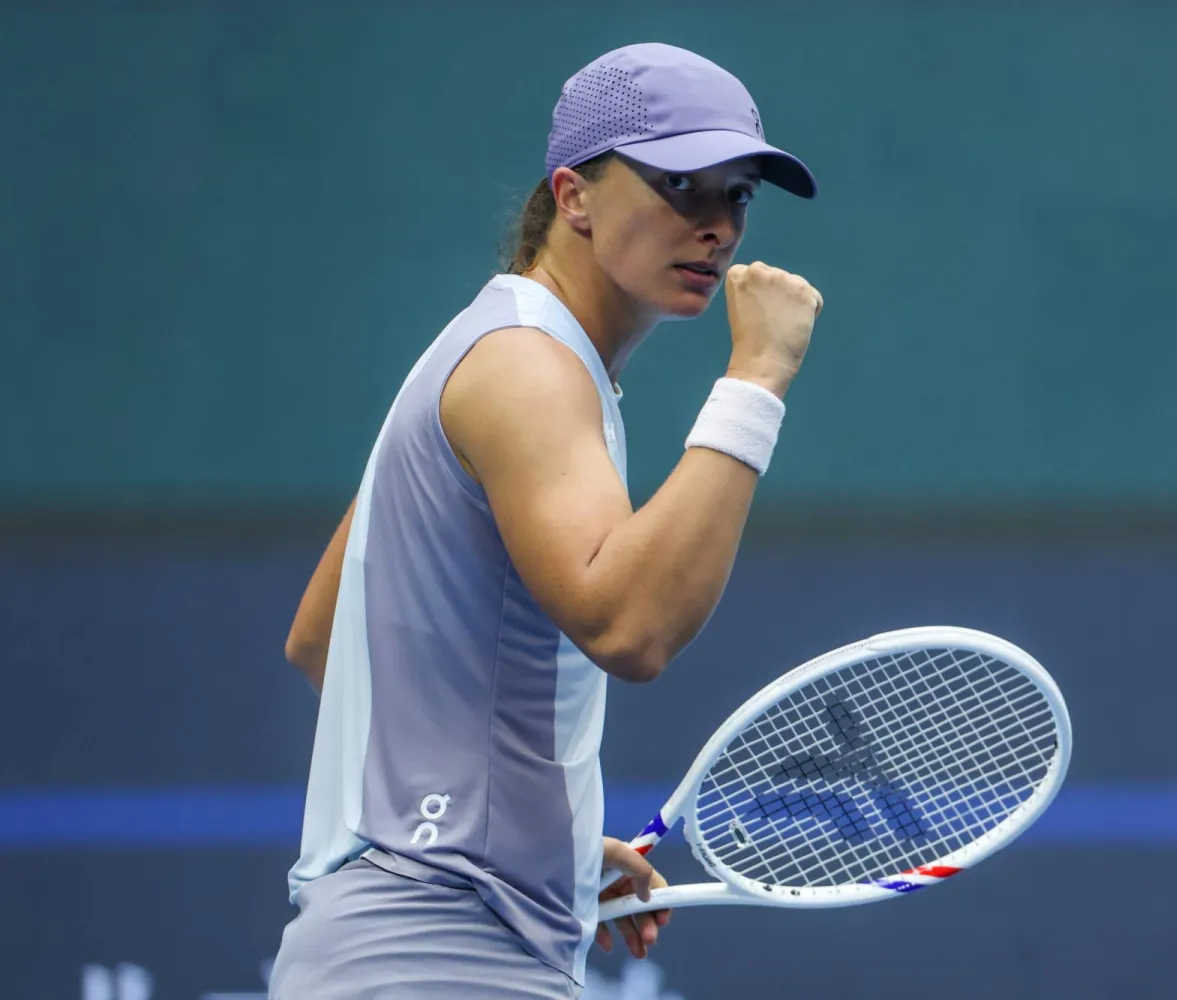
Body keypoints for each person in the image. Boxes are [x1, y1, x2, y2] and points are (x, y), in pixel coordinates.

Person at [269, 42, 822, 999]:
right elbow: (630, 625)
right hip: (432, 954)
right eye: (681, 184)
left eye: (736, 194)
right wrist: (755, 382)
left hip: (403, 945)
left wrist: (531, 828)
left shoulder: (497, 350)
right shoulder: (528, 368)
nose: (718, 226)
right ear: (574, 195)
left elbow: (325, 639)